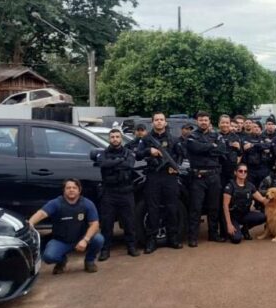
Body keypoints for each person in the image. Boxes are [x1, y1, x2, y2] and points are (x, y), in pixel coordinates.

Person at [28, 179, 104, 274]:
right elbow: (41, 213)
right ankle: (61, 261)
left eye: (74, 188)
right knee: (48, 257)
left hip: (81, 239)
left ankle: (89, 261)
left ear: (79, 190)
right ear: (64, 190)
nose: (71, 190)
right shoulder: (56, 203)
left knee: (98, 239)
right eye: (68, 188)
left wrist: (85, 240)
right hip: (62, 240)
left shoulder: (87, 204)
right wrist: (31, 223)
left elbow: (95, 224)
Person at [135, 112, 184, 253]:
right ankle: (151, 240)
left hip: (169, 177)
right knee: (152, 208)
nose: (159, 122)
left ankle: (172, 238)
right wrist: (148, 151)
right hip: (153, 176)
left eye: (161, 120)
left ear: (165, 122)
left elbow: (181, 154)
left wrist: (176, 168)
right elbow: (138, 155)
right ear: (152, 122)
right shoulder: (146, 139)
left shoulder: (173, 139)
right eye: (156, 120)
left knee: (172, 208)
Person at [95, 129, 139, 260]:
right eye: (112, 137)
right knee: (106, 224)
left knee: (129, 222)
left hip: (126, 192)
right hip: (109, 192)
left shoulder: (129, 153)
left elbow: (130, 165)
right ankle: (105, 250)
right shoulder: (103, 153)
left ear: (121, 138)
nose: (115, 139)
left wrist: (113, 164)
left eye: (117, 137)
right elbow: (103, 164)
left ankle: (131, 247)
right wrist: (120, 161)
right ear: (109, 139)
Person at [185, 111, 225, 246]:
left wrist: (206, 148)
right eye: (201, 120)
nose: (203, 122)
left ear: (209, 121)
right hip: (198, 177)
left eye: (206, 120)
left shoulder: (216, 135)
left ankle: (213, 234)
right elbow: (194, 148)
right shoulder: (192, 136)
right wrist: (211, 146)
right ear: (197, 121)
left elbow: (221, 150)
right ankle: (193, 237)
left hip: (214, 175)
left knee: (214, 207)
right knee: (196, 208)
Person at [223, 164, 269, 243]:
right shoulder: (230, 186)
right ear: (235, 172)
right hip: (232, 216)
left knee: (263, 217)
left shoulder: (250, 186)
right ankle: (233, 230)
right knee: (236, 239)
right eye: (240, 171)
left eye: (245, 171)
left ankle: (244, 229)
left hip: (244, 214)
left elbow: (262, 199)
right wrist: (229, 224)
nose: (243, 173)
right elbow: (225, 206)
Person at [242, 121, 272, 189]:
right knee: (251, 189)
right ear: (251, 128)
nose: (257, 128)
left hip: (263, 168)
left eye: (258, 127)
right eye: (254, 127)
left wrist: (253, 145)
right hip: (251, 169)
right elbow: (247, 149)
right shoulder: (246, 138)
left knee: (263, 189)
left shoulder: (264, 138)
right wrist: (261, 147)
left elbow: (268, 145)